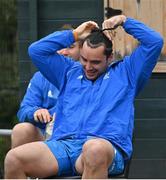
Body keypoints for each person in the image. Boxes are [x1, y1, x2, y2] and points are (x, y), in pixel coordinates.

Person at [4, 15, 163, 179]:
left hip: (106, 148)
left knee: (94, 150)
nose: (88, 67)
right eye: (84, 59)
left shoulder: (128, 73)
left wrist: (123, 21)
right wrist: (74, 35)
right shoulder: (68, 71)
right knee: (14, 159)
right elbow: (36, 51)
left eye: (95, 62)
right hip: (65, 146)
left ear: (109, 58)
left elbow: (155, 42)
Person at [11, 40, 81, 148]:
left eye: (70, 47)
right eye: (59, 47)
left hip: (75, 137)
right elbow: (23, 110)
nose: (64, 52)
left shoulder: (86, 75)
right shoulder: (40, 77)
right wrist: (36, 111)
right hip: (45, 134)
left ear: (81, 50)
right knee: (21, 130)